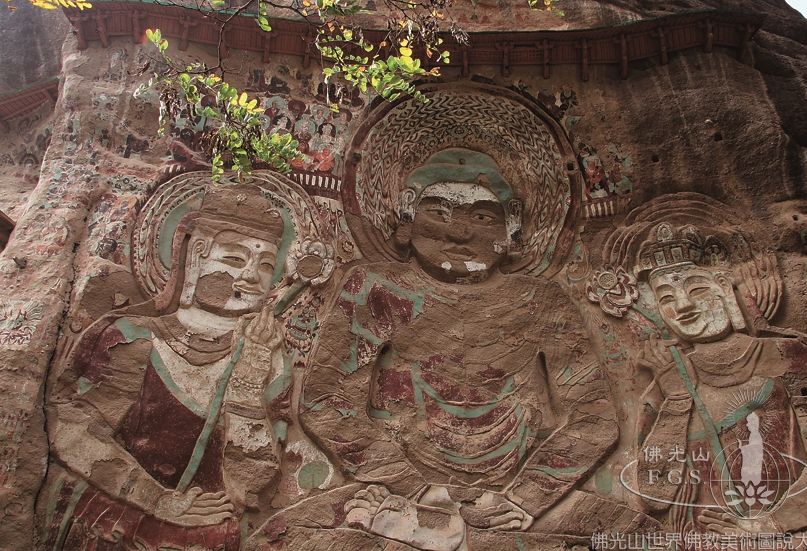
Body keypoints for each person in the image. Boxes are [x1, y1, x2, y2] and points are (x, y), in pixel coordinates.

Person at [250, 149, 655, 551]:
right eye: (439, 213)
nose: (459, 233)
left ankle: (455, 535)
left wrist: (524, 500)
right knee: (281, 537)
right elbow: (326, 400)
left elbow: (594, 419)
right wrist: (419, 492)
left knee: (643, 537)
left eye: (482, 217)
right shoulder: (377, 287)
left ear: (511, 227)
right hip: (398, 487)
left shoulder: (540, 300)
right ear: (407, 219)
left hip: (512, 496)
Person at [43, 184, 297, 550]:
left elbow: (249, 486)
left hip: (207, 535)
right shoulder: (133, 337)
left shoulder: (267, 359)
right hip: (114, 524)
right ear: (195, 257)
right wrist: (158, 500)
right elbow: (72, 433)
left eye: (267, 265)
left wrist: (247, 380)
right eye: (234, 259)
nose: (252, 276)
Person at [632, 222, 807, 540]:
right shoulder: (665, 386)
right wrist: (677, 401)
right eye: (666, 297)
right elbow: (653, 495)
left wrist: (771, 525)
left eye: (696, 289)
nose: (683, 306)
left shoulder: (795, 355)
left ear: (724, 286)